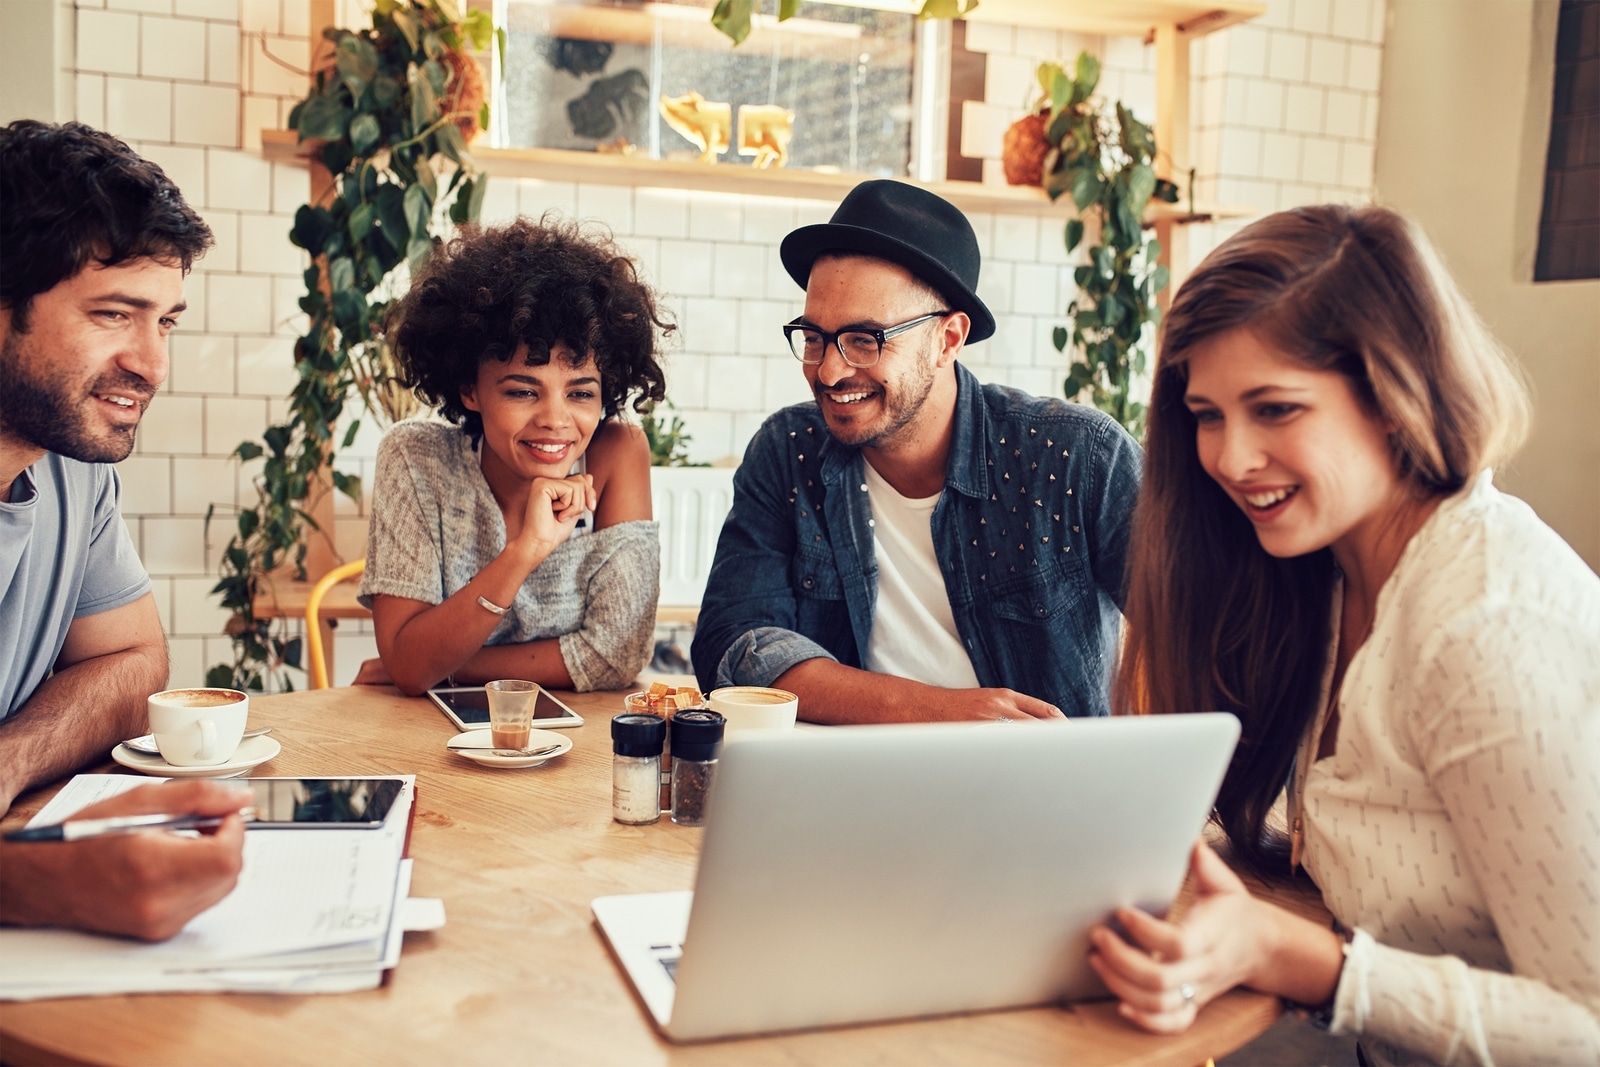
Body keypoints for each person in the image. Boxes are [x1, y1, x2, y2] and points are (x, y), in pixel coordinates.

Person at [1090, 204, 1600, 1063]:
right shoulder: (1328, 577)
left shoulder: (1487, 627)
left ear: (1397, 396)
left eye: (1276, 408)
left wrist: (1313, 964)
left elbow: (1587, 1024)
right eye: (1208, 413)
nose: (1230, 458)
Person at [691, 180, 1141, 724]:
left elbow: (1197, 631)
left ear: (948, 340)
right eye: (814, 337)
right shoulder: (789, 451)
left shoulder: (1075, 456)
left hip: (1044, 796)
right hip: (849, 793)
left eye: (864, 339)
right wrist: (939, 712)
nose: (829, 371)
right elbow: (734, 645)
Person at [0, 119, 248, 937]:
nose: (152, 363)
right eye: (115, 313)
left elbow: (135, 661)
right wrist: (40, 887)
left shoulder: (72, 463)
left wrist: (12, 757)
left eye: (165, 320)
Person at [356, 216, 669, 695]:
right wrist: (526, 550)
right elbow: (408, 664)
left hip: (579, 742)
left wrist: (448, 665)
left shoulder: (616, 454)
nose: (555, 420)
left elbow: (616, 657)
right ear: (469, 389)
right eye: (524, 392)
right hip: (432, 739)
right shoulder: (416, 459)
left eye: (581, 394)